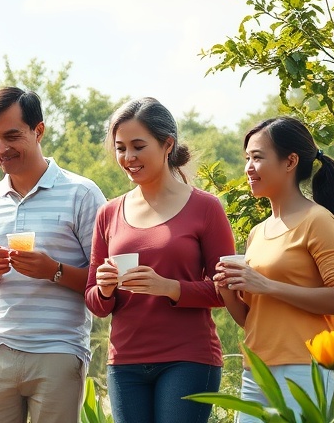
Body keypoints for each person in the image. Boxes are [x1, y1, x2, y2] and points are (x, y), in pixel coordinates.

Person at [84, 97, 234, 423]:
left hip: (189, 359)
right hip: (125, 364)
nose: (128, 157)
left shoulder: (206, 208)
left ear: (167, 144)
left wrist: (169, 288)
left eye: (138, 146)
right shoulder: (108, 213)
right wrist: (106, 288)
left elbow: (225, 291)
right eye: (121, 148)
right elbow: (95, 303)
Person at [0, 87, 107, 423]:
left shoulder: (82, 193)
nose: (1, 148)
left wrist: (54, 270)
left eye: (12, 135)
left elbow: (106, 282)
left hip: (58, 350)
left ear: (38, 130)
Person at [215, 116, 334, 422]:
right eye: (247, 159)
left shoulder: (317, 221)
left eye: (257, 157)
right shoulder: (258, 232)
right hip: (256, 371)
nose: (248, 168)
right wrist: (228, 292)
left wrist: (267, 285)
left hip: (304, 369)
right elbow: (252, 320)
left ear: (290, 161)